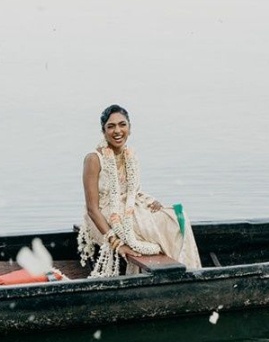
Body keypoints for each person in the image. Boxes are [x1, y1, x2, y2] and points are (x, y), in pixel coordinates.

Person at [78, 104, 201, 276]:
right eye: (111, 126)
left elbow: (134, 192)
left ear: (130, 128)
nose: (117, 131)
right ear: (103, 131)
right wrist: (117, 243)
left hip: (127, 209)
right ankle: (170, 274)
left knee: (173, 219)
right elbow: (92, 209)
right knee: (152, 228)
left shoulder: (130, 155)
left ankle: (185, 272)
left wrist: (150, 201)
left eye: (122, 125)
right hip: (102, 217)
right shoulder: (93, 159)